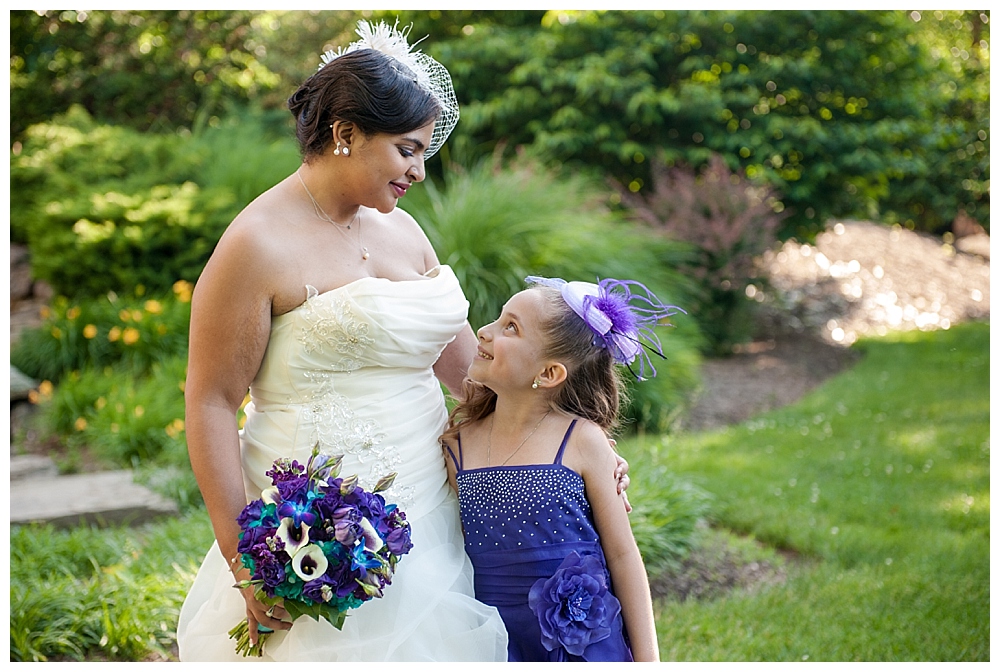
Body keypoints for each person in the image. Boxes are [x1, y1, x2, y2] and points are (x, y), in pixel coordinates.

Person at [176, 21, 629, 662]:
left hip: (435, 499)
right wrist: (244, 556)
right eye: (408, 150)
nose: (419, 171)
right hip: (319, 525)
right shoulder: (255, 246)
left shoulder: (406, 230)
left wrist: (574, 448)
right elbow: (212, 404)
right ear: (345, 134)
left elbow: (474, 372)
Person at [442, 275, 682, 662]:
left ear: (549, 373)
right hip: (495, 642)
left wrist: (649, 661)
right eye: (497, 319)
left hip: (583, 644)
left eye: (510, 328)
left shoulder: (583, 441)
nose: (484, 332)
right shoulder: (457, 445)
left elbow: (622, 555)